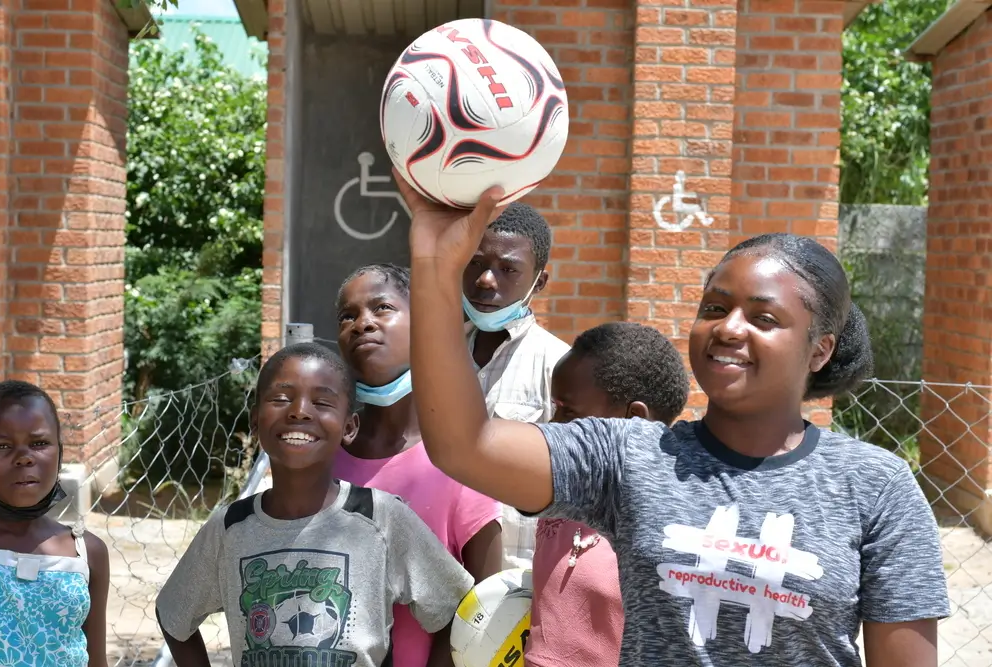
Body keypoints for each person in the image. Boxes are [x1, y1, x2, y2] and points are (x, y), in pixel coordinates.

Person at [394, 167, 950, 667]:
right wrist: (435, 265)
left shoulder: (877, 488)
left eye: (763, 316)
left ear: (820, 349)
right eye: (715, 307)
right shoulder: (629, 455)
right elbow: (464, 444)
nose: (729, 327)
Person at [155, 342, 475, 667]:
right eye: (281, 398)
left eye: (322, 402)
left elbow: (459, 609)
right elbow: (173, 614)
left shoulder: (382, 518)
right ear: (255, 421)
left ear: (349, 427)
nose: (299, 411)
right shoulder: (229, 528)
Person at [334, 263, 503, 667]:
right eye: (348, 316)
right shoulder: (321, 458)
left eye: (382, 308)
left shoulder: (460, 459)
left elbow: (485, 610)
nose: (363, 324)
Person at [527, 322, 690, 667]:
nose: (552, 426)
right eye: (554, 408)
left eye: (568, 411)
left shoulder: (670, 528)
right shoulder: (561, 496)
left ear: (633, 420)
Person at [462, 201, 570, 570]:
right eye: (476, 263)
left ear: (538, 281)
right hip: (435, 561)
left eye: (508, 269)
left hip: (513, 578)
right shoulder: (435, 353)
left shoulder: (558, 366)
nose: (485, 280)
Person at [0, 380, 110, 667]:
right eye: (2, 445)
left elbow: (96, 660)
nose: (24, 458)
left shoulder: (86, 552)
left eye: (39, 443)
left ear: (60, 450)